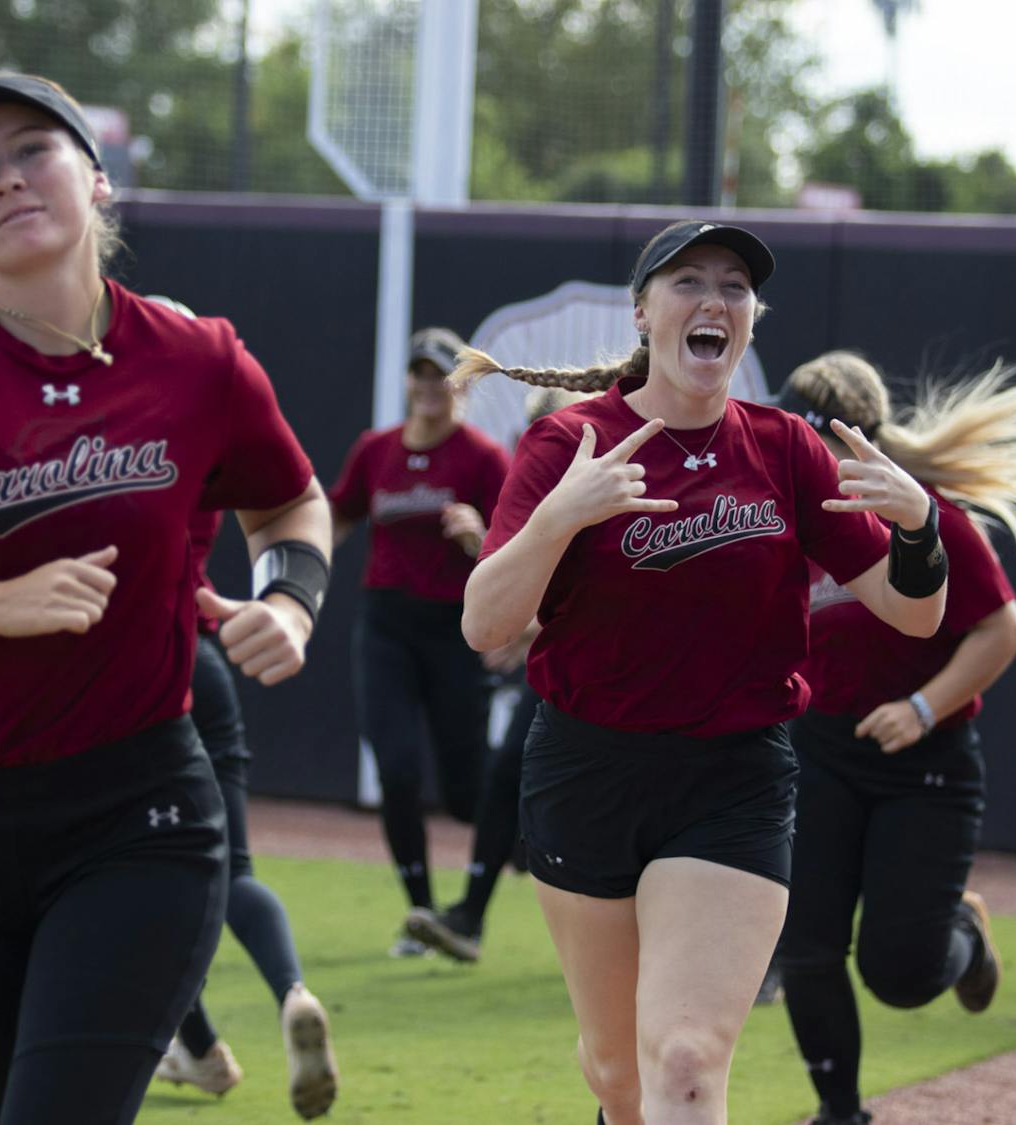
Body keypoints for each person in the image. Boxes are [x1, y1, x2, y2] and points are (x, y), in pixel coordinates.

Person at [0, 73, 331, 1125]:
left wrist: (290, 604)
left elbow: (292, 502)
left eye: (32, 150)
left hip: (138, 809)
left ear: (98, 180)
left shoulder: (198, 359)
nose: (5, 180)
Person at [451, 219, 948, 1125]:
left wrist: (920, 530)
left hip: (733, 778)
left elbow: (915, 610)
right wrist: (560, 517)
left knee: (683, 1061)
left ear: (752, 320)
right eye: (688, 282)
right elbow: (486, 622)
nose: (713, 300)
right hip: (587, 772)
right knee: (618, 1076)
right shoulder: (569, 443)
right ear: (644, 312)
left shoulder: (785, 448)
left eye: (734, 286)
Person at [773, 352, 1016, 1125]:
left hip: (925, 764)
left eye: (816, 442)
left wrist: (923, 705)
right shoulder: (782, 522)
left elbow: (1003, 629)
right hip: (819, 752)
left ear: (857, 442)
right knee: (805, 945)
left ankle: (964, 934)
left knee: (900, 973)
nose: (803, 458)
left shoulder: (920, 511)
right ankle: (841, 1111)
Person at [150, 505, 339, 1119]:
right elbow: (294, 503)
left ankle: (201, 1047)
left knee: (123, 883)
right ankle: (291, 993)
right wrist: (289, 604)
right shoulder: (195, 427)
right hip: (204, 660)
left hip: (127, 676)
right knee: (234, 871)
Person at [327, 327, 511, 955]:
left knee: (465, 793)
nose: (429, 386)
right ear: (407, 382)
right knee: (398, 767)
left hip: (455, 628)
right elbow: (337, 516)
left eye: (440, 374)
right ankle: (423, 914)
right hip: (386, 626)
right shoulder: (375, 450)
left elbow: (516, 544)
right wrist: (293, 568)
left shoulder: (483, 458)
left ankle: (504, 856)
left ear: (458, 384)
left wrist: (477, 534)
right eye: (420, 374)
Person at [404, 386, 593, 963]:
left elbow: (612, 591)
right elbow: (508, 585)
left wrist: (528, 627)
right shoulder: (536, 491)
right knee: (510, 768)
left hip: (616, 679)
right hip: (556, 673)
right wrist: (476, 544)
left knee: (586, 799)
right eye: (539, 435)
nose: (547, 446)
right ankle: (471, 913)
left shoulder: (614, 485)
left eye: (558, 433)